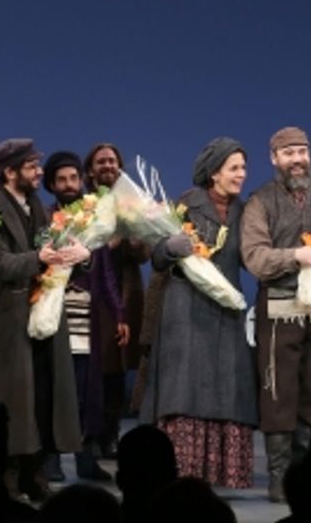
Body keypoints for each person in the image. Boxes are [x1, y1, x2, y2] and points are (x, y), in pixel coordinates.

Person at [0, 138, 86, 502]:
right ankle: (8, 475)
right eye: (32, 167)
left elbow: (55, 244)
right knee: (11, 400)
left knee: (42, 395)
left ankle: (35, 472)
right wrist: (40, 258)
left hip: (41, 314)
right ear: (10, 172)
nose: (39, 172)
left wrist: (82, 254)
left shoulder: (35, 204)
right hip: (8, 317)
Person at [140, 137, 258, 491]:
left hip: (226, 310)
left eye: (243, 167)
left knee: (227, 387)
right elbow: (157, 256)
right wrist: (169, 248)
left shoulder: (245, 211)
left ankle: (222, 474)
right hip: (185, 309)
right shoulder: (187, 205)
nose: (242, 174)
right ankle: (184, 471)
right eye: (234, 168)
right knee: (186, 388)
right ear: (214, 173)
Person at [242, 126, 311, 501]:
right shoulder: (261, 201)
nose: (298, 158)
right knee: (278, 391)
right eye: (288, 153)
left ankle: (310, 472)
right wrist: (296, 256)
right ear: (274, 158)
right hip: (280, 308)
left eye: (302, 151)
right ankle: (279, 477)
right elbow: (254, 257)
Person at [41, 150, 110, 482]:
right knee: (56, 388)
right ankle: (51, 458)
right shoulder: (44, 217)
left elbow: (106, 269)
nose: (70, 185)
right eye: (62, 180)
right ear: (51, 185)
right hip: (54, 314)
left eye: (74, 178)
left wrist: (119, 312)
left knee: (86, 391)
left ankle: (85, 459)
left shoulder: (95, 218)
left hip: (87, 317)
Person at [81, 142, 145, 460]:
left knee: (119, 368)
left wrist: (130, 236)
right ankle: (90, 436)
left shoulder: (130, 202)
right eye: (101, 162)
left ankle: (112, 435)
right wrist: (102, 242)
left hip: (126, 291)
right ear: (90, 169)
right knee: (99, 367)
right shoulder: (82, 203)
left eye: (113, 161)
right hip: (94, 293)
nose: (108, 166)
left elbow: (145, 252)